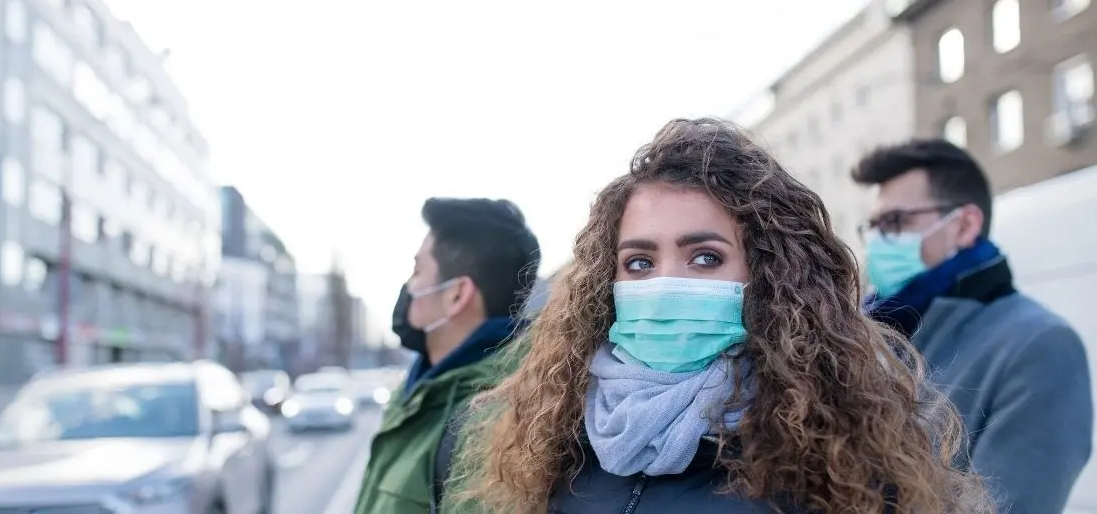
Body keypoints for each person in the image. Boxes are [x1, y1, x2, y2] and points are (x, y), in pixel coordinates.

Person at [443, 118, 995, 514]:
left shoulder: (842, 453)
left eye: (705, 257)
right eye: (639, 261)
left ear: (768, 276)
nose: (665, 283)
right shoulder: (554, 434)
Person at [853, 139, 1092, 514]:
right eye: (875, 225)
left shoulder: (1040, 345)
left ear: (964, 225)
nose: (880, 241)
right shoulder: (875, 335)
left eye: (897, 222)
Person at [354, 197, 540, 514]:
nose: (409, 287)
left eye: (417, 270)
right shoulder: (424, 391)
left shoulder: (493, 428)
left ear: (456, 295)